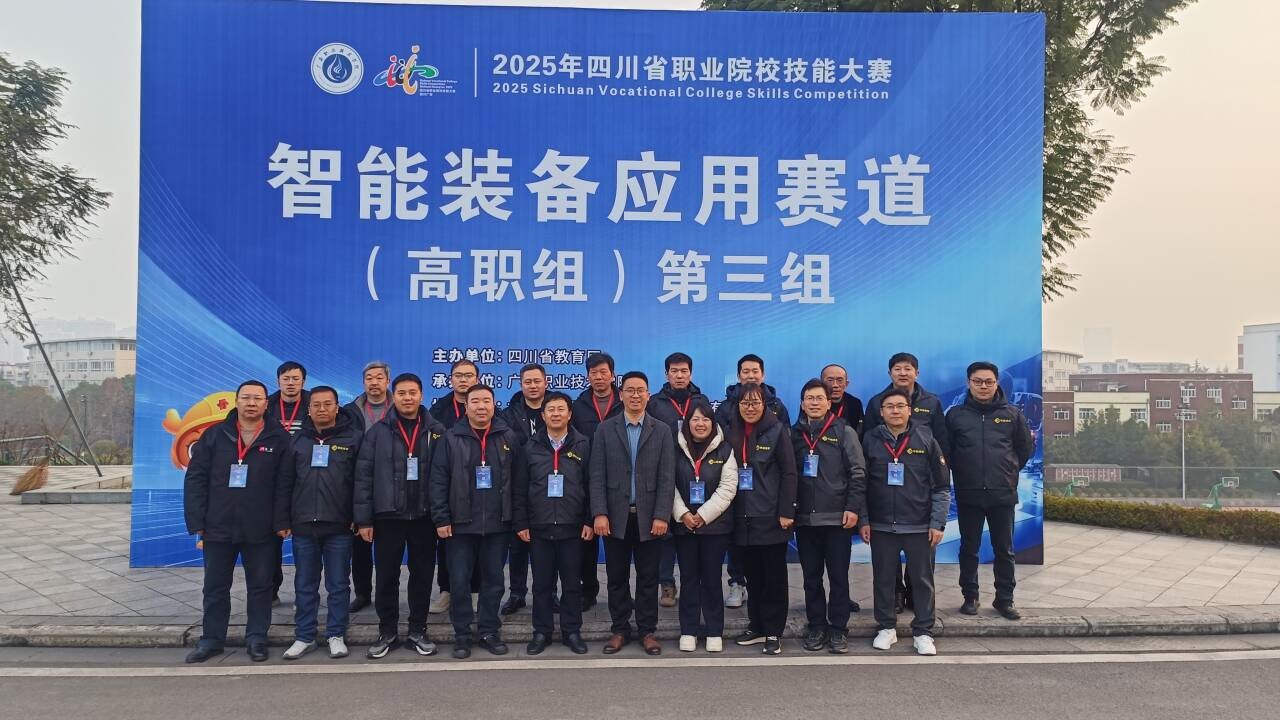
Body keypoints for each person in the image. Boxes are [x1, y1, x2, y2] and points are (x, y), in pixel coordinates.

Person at [182, 380, 290, 663]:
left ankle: (257, 638)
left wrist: (282, 521)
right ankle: (211, 640)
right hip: (218, 525)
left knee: (261, 587)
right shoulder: (215, 435)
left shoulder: (279, 438)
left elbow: (285, 484)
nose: (251, 403)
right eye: (246, 398)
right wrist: (197, 521)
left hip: (262, 528)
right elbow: (195, 478)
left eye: (257, 398)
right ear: (237, 401)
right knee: (215, 587)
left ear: (266, 403)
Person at [354, 372, 444, 659]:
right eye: (402, 393)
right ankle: (387, 631)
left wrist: (442, 516)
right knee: (387, 576)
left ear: (421, 395)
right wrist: (364, 519)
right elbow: (364, 477)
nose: (407, 398)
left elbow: (445, 476)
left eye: (412, 393)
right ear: (395, 396)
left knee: (422, 576)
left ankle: (418, 630)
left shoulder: (436, 431)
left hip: (424, 518)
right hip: (388, 517)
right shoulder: (378, 432)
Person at [430, 384, 523, 659]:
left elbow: (519, 482)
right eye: (475, 401)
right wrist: (441, 518)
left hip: (498, 524)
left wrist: (516, 519)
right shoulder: (450, 438)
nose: (481, 406)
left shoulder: (507, 436)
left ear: (494, 405)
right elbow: (438, 480)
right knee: (459, 582)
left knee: (493, 581)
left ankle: (488, 631)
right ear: (466, 406)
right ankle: (462, 634)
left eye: (486, 401)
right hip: (460, 524)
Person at [590, 371, 675, 656]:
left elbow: (667, 477)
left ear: (648, 395)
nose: (635, 395)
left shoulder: (661, 430)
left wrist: (662, 515)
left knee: (648, 578)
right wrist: (599, 513)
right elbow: (597, 475)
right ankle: (620, 629)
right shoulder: (605, 429)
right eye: (630, 390)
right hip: (615, 517)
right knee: (616, 577)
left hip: (649, 517)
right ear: (621, 394)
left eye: (640, 390)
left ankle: (647, 631)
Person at [275, 386, 362, 660]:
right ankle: (304, 636)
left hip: (339, 526)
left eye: (327, 404)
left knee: (338, 585)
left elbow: (361, 483)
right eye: (316, 405)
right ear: (309, 409)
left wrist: (359, 517)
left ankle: (336, 634)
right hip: (303, 526)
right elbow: (285, 483)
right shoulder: (297, 440)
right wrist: (283, 519)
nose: (322, 409)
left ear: (337, 407)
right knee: (305, 585)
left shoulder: (353, 438)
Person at [861, 388, 950, 656]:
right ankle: (886, 627)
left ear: (910, 410)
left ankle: (923, 631)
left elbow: (941, 486)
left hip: (919, 525)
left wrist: (937, 522)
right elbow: (860, 484)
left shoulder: (926, 438)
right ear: (881, 412)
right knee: (884, 579)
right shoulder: (870, 440)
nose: (895, 411)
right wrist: (864, 519)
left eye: (900, 406)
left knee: (922, 581)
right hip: (881, 525)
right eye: (890, 406)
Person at [945, 361, 1034, 621]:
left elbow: (1024, 449)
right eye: (977, 381)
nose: (983, 386)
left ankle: (1004, 599)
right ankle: (970, 596)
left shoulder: (1012, 414)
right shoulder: (956, 415)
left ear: (996, 384)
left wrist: (1008, 471)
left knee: (1004, 550)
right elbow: (947, 451)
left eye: (988, 382)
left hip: (1002, 494)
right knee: (968, 548)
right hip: (968, 493)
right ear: (968, 383)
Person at [512, 392, 592, 655]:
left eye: (561, 409)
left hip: (573, 527)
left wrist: (589, 520)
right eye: (551, 410)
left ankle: (572, 631)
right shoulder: (530, 447)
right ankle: (541, 631)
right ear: (543, 415)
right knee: (542, 585)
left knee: (572, 584)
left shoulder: (583, 444)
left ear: (570, 414)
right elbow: (520, 489)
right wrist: (522, 522)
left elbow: (592, 485)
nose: (556, 414)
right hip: (540, 527)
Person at [790, 379, 866, 654]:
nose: (814, 403)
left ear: (828, 402)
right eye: (809, 398)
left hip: (837, 518)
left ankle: (838, 629)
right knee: (811, 578)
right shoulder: (793, 434)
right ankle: (817, 626)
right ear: (802, 403)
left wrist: (852, 508)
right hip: (805, 520)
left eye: (819, 398)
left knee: (838, 577)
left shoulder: (844, 431)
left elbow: (858, 472)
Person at [726, 382, 796, 656]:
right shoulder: (730, 432)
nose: (750, 407)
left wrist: (786, 511)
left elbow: (789, 473)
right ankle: (756, 626)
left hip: (770, 516)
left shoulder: (777, 431)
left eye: (755, 402)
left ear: (764, 405)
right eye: (745, 403)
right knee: (752, 576)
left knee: (773, 578)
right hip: (741, 517)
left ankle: (773, 631)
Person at [715, 354, 789, 609]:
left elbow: (786, 459)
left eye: (755, 371)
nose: (750, 375)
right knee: (737, 543)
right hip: (734, 489)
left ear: (763, 374)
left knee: (767, 565)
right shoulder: (725, 408)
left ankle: (768, 617)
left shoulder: (777, 407)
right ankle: (737, 583)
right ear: (738, 376)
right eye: (745, 371)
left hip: (765, 493)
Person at [670, 400, 737, 653]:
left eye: (706, 419)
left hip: (715, 528)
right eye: (695, 419)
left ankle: (713, 630)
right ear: (687, 423)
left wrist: (703, 515)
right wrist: (683, 514)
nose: (700, 424)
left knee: (711, 579)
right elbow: (668, 483)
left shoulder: (725, 450)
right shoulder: (675, 449)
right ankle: (688, 629)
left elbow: (728, 488)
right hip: (684, 526)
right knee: (688, 579)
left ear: (713, 422)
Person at [648, 352, 708, 609]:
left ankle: (692, 584)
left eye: (684, 371)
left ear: (691, 373)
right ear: (666, 374)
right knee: (665, 533)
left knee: (689, 531)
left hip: (693, 473)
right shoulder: (655, 403)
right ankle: (666, 584)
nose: (679, 375)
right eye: (674, 371)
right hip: (662, 471)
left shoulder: (701, 400)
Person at [427, 359, 481, 614]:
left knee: (479, 543)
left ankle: (475, 591)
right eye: (459, 375)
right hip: (450, 485)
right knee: (447, 542)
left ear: (477, 379)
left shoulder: (485, 405)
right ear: (451, 380)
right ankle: (447, 591)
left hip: (481, 486)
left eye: (469, 375)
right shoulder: (439, 410)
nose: (464, 380)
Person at [572, 351, 621, 611]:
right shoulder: (578, 405)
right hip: (585, 477)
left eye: (603, 372)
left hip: (619, 479)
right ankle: (588, 591)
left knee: (618, 544)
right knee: (586, 540)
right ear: (588, 376)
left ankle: (620, 595)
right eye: (594, 373)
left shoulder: (624, 401)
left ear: (612, 375)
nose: (599, 377)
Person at [343, 360, 392, 614]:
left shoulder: (400, 407)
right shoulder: (349, 412)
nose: (374, 382)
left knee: (387, 547)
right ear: (363, 382)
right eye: (369, 378)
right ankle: (362, 593)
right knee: (360, 545)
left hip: (392, 484)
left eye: (379, 377)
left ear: (387, 381)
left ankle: (386, 594)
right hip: (358, 481)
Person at [500, 363, 549, 616]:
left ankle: (549, 594)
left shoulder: (556, 408)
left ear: (546, 383)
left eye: (537, 381)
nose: (532, 386)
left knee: (547, 547)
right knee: (517, 545)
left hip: (550, 488)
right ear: (521, 385)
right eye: (527, 382)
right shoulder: (508, 414)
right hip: (517, 485)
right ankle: (517, 593)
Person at [266, 360, 311, 605]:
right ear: (278, 381)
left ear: (303, 381)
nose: (291, 383)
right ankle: (271, 590)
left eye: (295, 379)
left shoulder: (314, 403)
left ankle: (305, 596)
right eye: (286, 379)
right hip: (272, 481)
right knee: (270, 541)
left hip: (306, 479)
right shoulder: (267, 405)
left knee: (305, 544)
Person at [821, 364, 865, 435]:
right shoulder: (814, 402)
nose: (835, 385)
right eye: (830, 380)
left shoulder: (855, 403)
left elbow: (859, 432)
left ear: (846, 384)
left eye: (840, 380)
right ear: (821, 383)